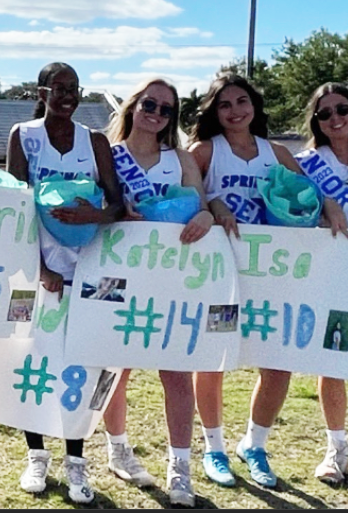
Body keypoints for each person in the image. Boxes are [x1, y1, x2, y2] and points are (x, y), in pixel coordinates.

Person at [188, 73, 345, 489]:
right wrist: (212, 204)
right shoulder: (206, 151)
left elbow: (307, 193)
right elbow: (187, 193)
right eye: (225, 105)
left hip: (272, 277)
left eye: (242, 101)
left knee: (278, 364)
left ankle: (254, 444)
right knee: (214, 357)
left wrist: (330, 206)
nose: (235, 110)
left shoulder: (275, 152)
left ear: (254, 106)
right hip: (220, 275)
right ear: (214, 112)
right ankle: (214, 447)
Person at [6, 62, 124, 504]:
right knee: (35, 363)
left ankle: (76, 460)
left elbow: (116, 203)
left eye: (74, 88)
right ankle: (36, 455)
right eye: (59, 88)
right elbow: (17, 206)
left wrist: (94, 215)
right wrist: (39, 268)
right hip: (42, 271)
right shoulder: (25, 135)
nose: (68, 96)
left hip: (88, 270)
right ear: (42, 92)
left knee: (81, 365)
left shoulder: (94, 141)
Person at [103, 77, 214, 507]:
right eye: (150, 103)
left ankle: (180, 468)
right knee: (118, 367)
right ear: (134, 106)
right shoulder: (108, 156)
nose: (156, 113)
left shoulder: (181, 159)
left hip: (169, 277)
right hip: (118, 274)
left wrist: (205, 217)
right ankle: (118, 450)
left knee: (176, 372)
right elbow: (98, 206)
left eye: (167, 109)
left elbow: (201, 205)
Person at [295, 82, 348, 484]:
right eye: (324, 113)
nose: (335, 119)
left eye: (342, 109)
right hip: (331, 275)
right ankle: (337, 448)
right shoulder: (306, 164)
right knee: (333, 362)